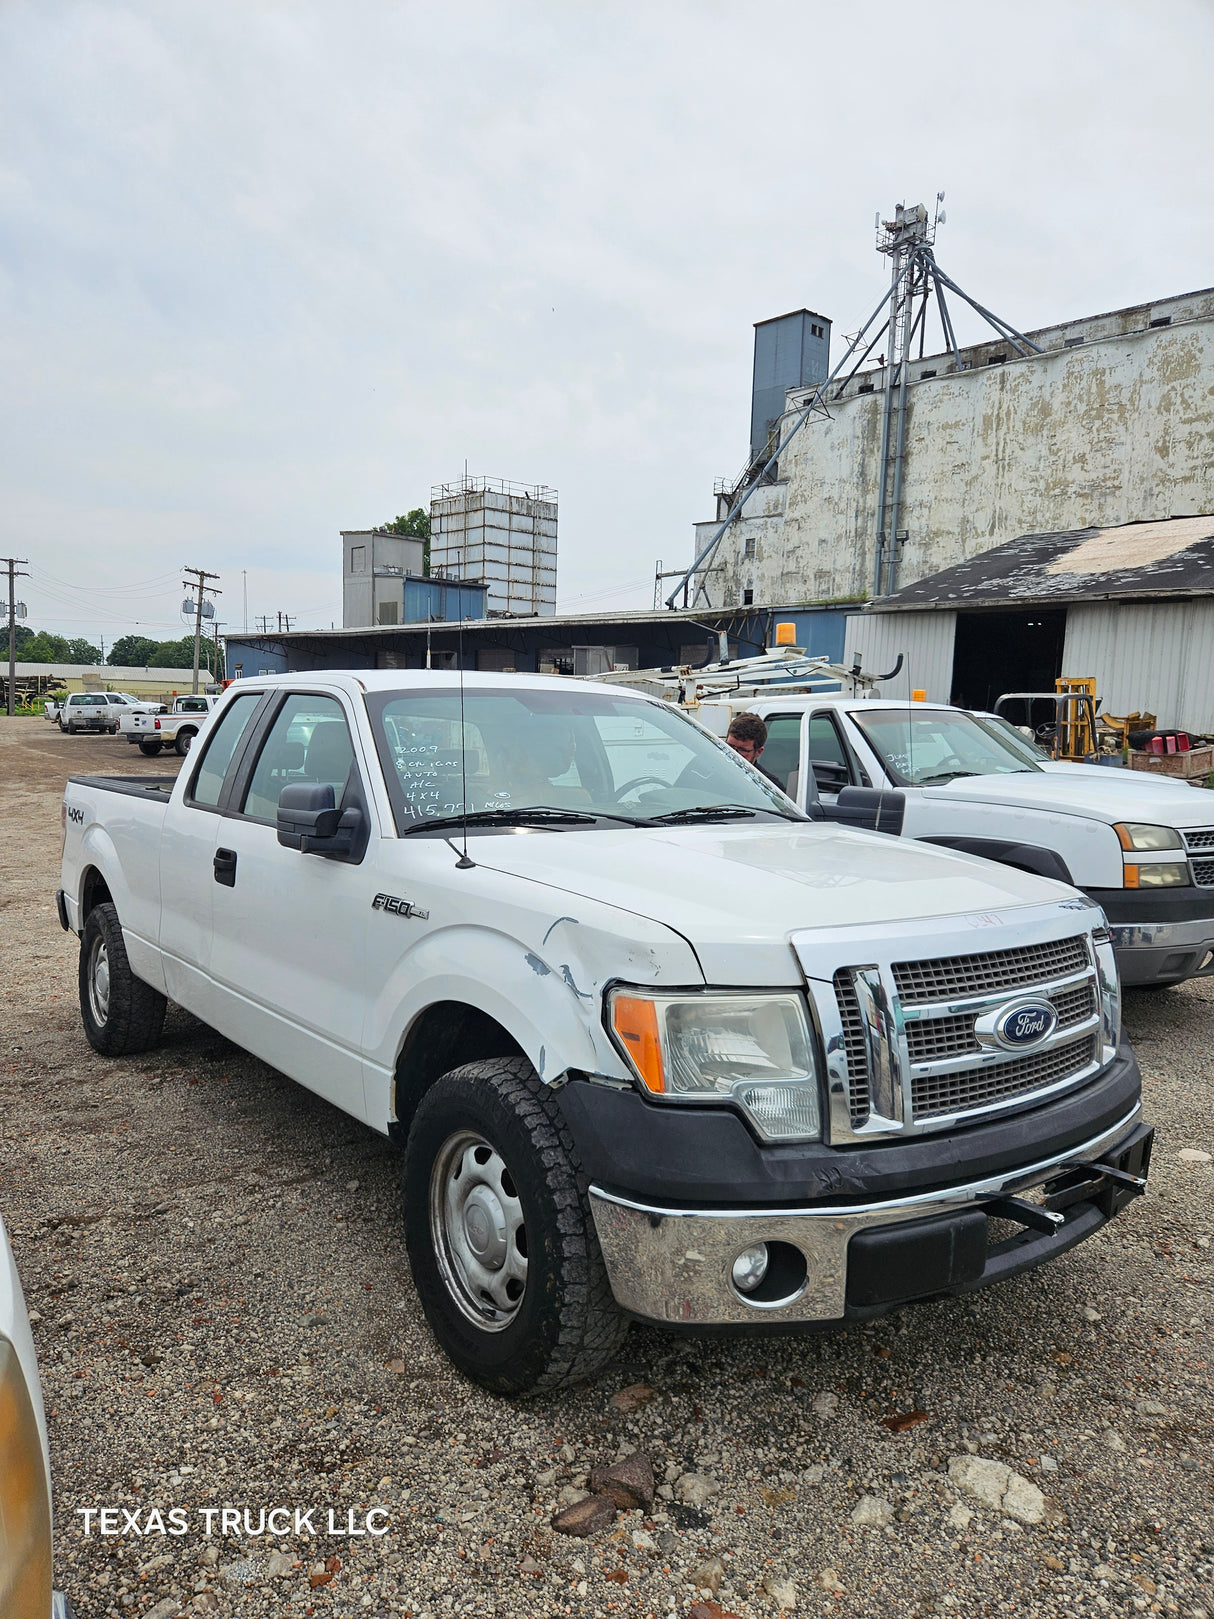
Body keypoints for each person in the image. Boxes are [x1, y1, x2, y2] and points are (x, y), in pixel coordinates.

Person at [725, 712, 781, 786]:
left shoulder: (769, 786)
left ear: (758, 752)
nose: (733, 754)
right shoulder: (709, 770)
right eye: (730, 746)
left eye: (742, 750)